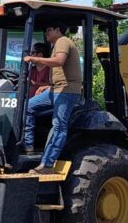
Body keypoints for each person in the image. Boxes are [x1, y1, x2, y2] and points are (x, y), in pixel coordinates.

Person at [22, 25, 83, 174]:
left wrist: (34, 58)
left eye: (49, 30)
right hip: (55, 88)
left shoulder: (63, 41)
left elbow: (59, 61)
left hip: (66, 90)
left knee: (59, 125)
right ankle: (28, 147)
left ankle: (47, 164)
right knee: (27, 106)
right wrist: (48, 86)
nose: (46, 33)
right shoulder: (57, 44)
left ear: (58, 29)